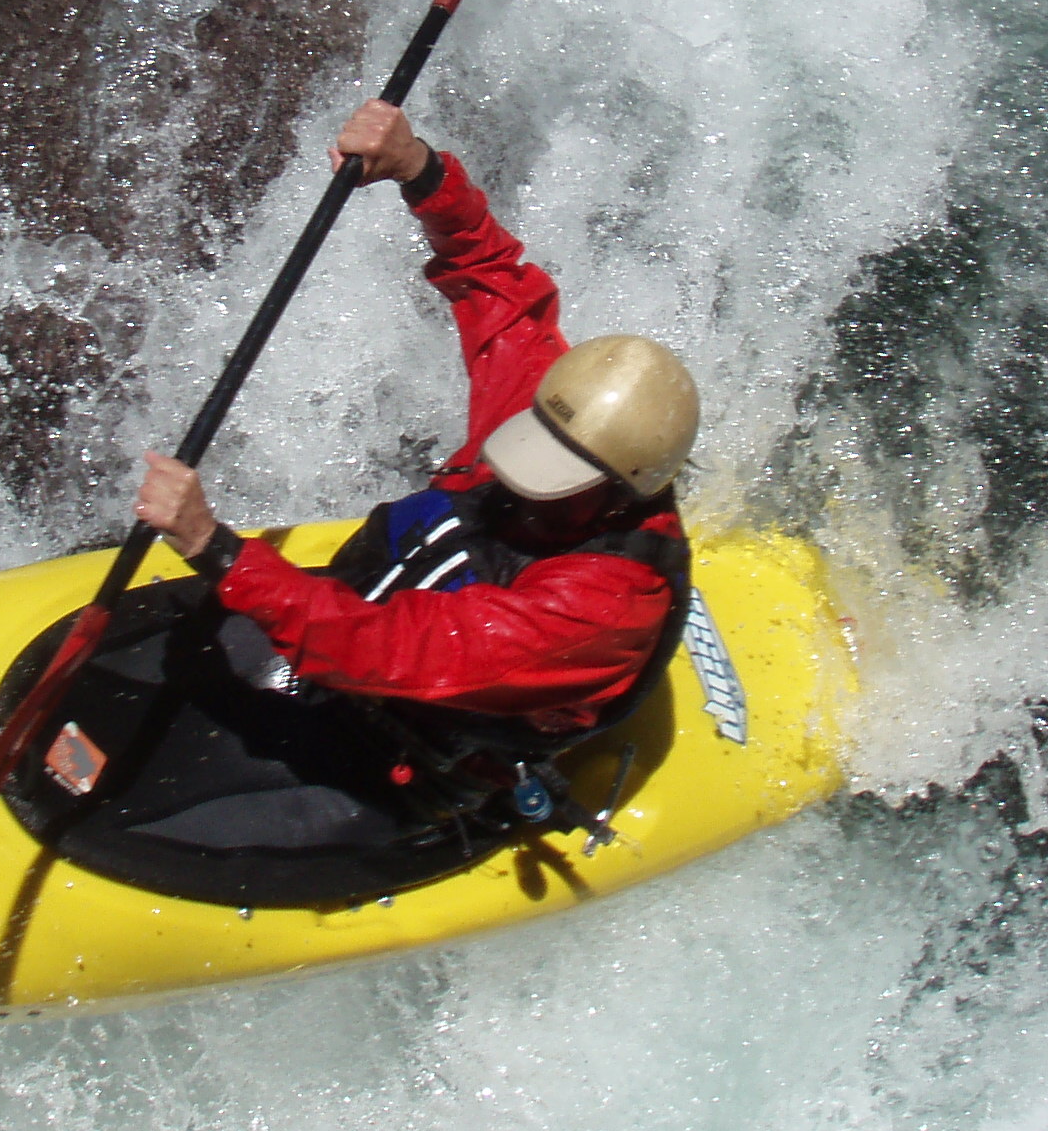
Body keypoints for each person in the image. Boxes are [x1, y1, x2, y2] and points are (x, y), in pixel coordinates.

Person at [130, 97, 698, 744]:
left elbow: (394, 651)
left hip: (413, 729)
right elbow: (490, 277)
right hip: (378, 610)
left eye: (558, 478)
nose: (521, 471)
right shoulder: (561, 416)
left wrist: (216, 549)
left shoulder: (597, 610)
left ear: (616, 494)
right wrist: (418, 168)